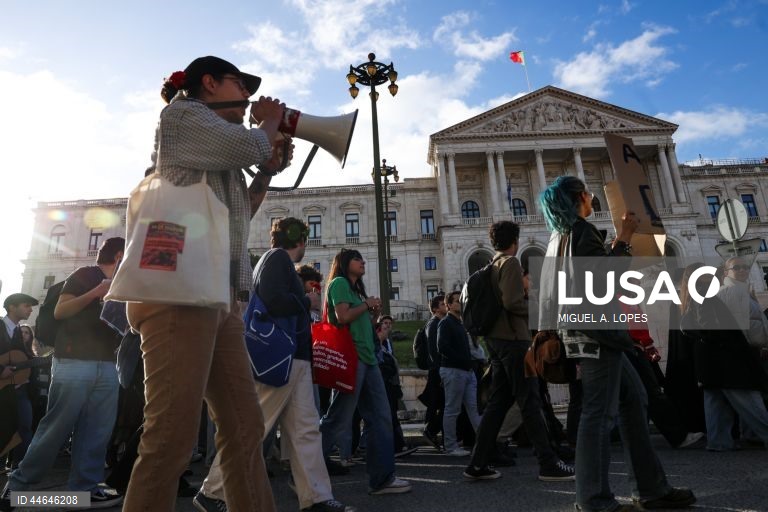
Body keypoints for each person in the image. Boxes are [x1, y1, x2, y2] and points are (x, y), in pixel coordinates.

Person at [121, 56, 291, 512]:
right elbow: (247, 145)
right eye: (240, 84)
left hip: (216, 298)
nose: (249, 97)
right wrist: (269, 126)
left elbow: (241, 218)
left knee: (244, 428)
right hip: (178, 296)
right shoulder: (181, 114)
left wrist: (269, 168)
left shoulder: (221, 157)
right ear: (210, 83)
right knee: (171, 438)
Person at [537, 176, 695, 511]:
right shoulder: (580, 231)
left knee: (634, 400)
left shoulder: (559, 237)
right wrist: (623, 238)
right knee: (598, 416)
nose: (593, 198)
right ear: (580, 198)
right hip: (598, 336)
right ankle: (593, 499)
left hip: (587, 332)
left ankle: (651, 488)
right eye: (589, 194)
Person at [196, 218, 354, 512]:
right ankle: (213, 491)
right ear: (300, 240)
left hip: (294, 359)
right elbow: (274, 300)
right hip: (283, 359)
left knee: (305, 430)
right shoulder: (277, 259)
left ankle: (316, 498)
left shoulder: (273, 260)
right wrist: (308, 301)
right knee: (254, 428)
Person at [1, 238, 125, 511]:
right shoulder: (85, 274)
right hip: (73, 361)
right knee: (57, 425)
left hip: (106, 363)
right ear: (119, 255)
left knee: (97, 429)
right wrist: (96, 292)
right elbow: (61, 310)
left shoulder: (123, 282)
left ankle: (84, 488)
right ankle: (19, 488)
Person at [464, 221, 574, 482]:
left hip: (496, 341)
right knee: (530, 401)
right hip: (514, 342)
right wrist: (537, 306)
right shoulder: (511, 263)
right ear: (515, 240)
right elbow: (513, 302)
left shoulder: (491, 265)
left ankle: (478, 462)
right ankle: (548, 463)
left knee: (498, 403)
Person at [319, 249, 412, 495]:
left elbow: (359, 322)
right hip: (352, 359)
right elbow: (342, 315)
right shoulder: (339, 283)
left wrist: (372, 314)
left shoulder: (354, 290)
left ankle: (382, 478)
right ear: (345, 263)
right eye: (357, 258)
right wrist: (366, 304)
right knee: (338, 417)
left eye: (362, 259)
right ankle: (306, 468)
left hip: (368, 359)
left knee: (380, 417)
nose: (362, 262)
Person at [680, 262, 768, 451]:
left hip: (709, 359)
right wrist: (726, 341)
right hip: (724, 357)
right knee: (748, 399)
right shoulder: (705, 294)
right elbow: (706, 326)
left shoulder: (693, 295)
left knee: (716, 401)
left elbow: (689, 326)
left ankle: (719, 442)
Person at [437, 291, 481, 457]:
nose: (460, 304)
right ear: (448, 305)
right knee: (452, 409)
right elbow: (442, 347)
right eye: (456, 301)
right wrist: (462, 361)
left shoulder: (460, 323)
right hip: (453, 370)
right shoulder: (446, 323)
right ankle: (450, 446)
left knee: (474, 408)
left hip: (466, 371)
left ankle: (485, 441)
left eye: (461, 301)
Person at [0, 294, 38, 470]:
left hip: (13, 389)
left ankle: (17, 467)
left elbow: (16, 360)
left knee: (19, 426)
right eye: (26, 305)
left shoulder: (16, 332)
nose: (30, 309)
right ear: (11, 308)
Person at [419, 294, 447, 450]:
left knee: (440, 404)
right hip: (438, 370)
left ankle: (432, 431)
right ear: (435, 308)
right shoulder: (434, 324)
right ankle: (430, 430)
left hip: (438, 370)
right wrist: (441, 369)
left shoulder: (438, 323)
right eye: (443, 304)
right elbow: (434, 350)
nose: (446, 306)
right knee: (444, 405)